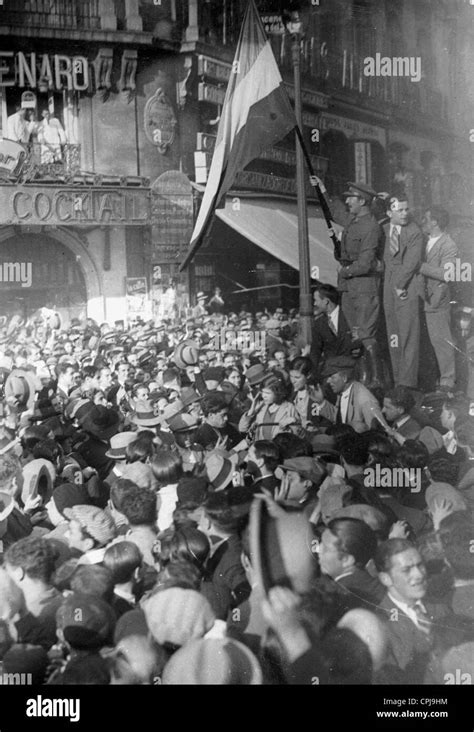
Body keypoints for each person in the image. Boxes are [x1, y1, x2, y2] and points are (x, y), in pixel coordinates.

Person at [382, 196, 423, 389]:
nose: (405, 213)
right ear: (390, 213)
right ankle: (398, 378)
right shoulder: (383, 229)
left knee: (408, 333)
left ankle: (407, 383)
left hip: (406, 284)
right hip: (388, 284)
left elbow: (412, 262)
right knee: (394, 333)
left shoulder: (414, 232)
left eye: (406, 209)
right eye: (400, 210)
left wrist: (399, 285)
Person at [337, 182, 382, 351]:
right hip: (349, 287)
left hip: (364, 287)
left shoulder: (370, 227)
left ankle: (377, 377)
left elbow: (365, 264)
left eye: (351, 198)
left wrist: (344, 271)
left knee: (366, 335)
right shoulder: (353, 223)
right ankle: (366, 375)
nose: (347, 202)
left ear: (362, 201)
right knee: (355, 334)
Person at [419, 207, 458, 392]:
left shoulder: (448, 245)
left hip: (437, 301)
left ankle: (447, 383)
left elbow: (447, 273)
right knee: (431, 344)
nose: (423, 221)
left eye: (426, 218)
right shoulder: (425, 241)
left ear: (435, 222)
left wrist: (420, 266)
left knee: (442, 343)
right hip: (424, 298)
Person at [310, 284, 353, 376]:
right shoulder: (318, 323)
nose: (314, 304)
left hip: (352, 370)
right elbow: (315, 351)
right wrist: (313, 373)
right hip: (331, 373)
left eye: (316, 300)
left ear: (326, 301)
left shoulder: (349, 316)